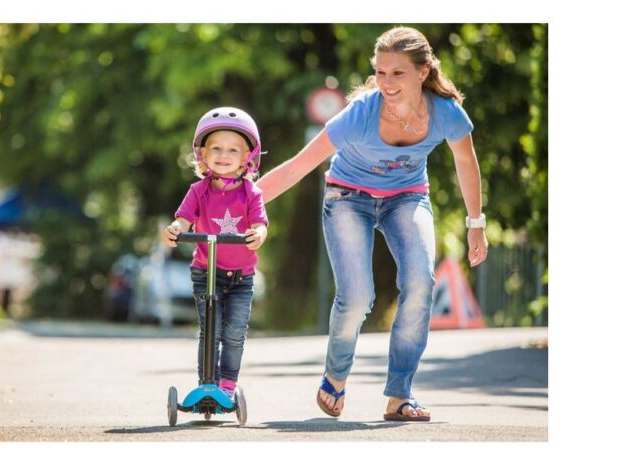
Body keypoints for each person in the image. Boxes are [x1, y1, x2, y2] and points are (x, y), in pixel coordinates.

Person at [256, 26, 488, 421]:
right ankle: (335, 376)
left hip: (406, 198)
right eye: (380, 72)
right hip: (348, 197)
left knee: (420, 283)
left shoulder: (445, 113)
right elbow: (298, 166)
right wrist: (240, 205)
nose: (387, 82)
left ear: (423, 72)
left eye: (397, 73)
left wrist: (476, 223)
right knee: (357, 297)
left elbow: (466, 161)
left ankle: (400, 395)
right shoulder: (361, 113)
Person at [161, 107, 269, 399]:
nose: (224, 155)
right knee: (210, 331)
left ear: (247, 157)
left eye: (233, 149)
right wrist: (175, 229)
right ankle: (207, 384)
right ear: (203, 155)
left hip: (241, 278)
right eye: (216, 148)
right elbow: (183, 219)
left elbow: (260, 224)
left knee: (234, 333)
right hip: (206, 272)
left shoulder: (251, 193)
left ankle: (227, 385)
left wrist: (257, 235)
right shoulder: (198, 191)